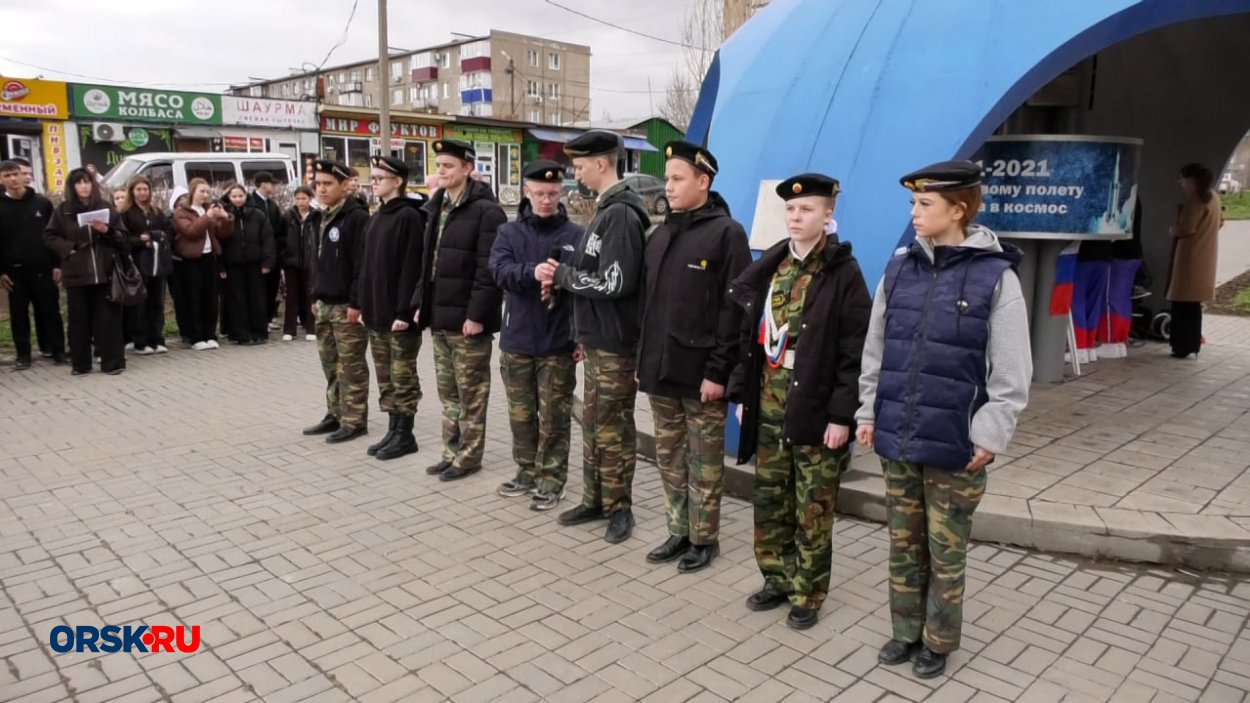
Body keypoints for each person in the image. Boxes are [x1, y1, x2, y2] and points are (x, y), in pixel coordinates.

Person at [858, 161, 1031, 679]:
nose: (914, 213)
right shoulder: (899, 270)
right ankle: (905, 631)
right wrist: (868, 411)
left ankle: (938, 640)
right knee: (903, 543)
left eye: (925, 204)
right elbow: (875, 350)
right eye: (913, 203)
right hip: (898, 435)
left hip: (956, 443)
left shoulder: (996, 278)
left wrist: (991, 433)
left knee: (945, 549)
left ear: (959, 209)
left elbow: (1012, 370)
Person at [726, 173, 870, 630]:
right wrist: (744, 394)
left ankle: (808, 592)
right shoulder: (773, 266)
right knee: (770, 499)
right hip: (769, 405)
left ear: (828, 215)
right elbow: (750, 337)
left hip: (815, 409)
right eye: (790, 209)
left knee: (812, 507)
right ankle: (776, 577)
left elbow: (854, 351)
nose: (795, 216)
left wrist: (842, 415)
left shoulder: (842, 272)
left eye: (806, 209)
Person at [637, 142, 751, 572]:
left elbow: (735, 311)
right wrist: (643, 363)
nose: (668, 186)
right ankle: (678, 530)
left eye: (678, 178)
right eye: (667, 178)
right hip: (661, 371)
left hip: (702, 374)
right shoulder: (660, 234)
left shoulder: (726, 234)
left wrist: (719, 372)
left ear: (703, 181)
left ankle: (704, 539)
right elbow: (648, 307)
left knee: (703, 463)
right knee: (669, 457)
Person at [536, 130, 649, 544]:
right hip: (599, 339)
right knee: (594, 424)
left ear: (602, 164)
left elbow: (615, 282)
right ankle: (595, 499)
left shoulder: (621, 214)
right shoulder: (605, 210)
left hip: (616, 344)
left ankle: (619, 508)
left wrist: (564, 276)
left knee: (612, 428)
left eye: (581, 166)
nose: (577, 174)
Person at [491, 161, 584, 511]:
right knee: (521, 416)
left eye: (553, 193)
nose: (546, 200)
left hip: (558, 343)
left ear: (562, 194)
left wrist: (581, 337)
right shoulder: (509, 233)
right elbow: (499, 271)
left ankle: (552, 480)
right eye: (540, 193)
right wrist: (533, 272)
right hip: (518, 340)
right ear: (526, 192)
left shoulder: (576, 236)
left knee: (555, 418)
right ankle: (526, 471)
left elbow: (584, 289)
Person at [414, 139, 506, 481]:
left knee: (472, 395)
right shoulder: (437, 205)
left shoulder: (487, 212)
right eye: (439, 165)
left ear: (468, 169)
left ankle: (468, 457)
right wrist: (420, 305)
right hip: (440, 317)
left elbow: (488, 271)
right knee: (448, 393)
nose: (441, 171)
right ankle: (450, 452)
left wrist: (477, 316)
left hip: (468, 322)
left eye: (448, 166)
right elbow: (428, 263)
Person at [359, 155, 427, 461]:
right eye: (372, 179)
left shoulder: (408, 216)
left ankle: (405, 434)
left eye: (379, 179)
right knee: (386, 376)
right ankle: (393, 428)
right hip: (377, 313)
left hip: (398, 316)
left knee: (403, 376)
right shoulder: (377, 217)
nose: (373, 184)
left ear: (397, 181)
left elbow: (411, 268)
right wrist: (364, 305)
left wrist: (404, 312)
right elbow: (368, 267)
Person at [304, 159, 371, 443]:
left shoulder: (357, 218)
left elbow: (361, 265)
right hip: (324, 303)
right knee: (330, 364)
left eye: (328, 184)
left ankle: (355, 420)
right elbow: (315, 262)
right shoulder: (318, 217)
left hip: (346, 305)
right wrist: (314, 294)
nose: (321, 189)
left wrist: (356, 303)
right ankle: (335, 413)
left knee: (350, 366)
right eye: (318, 184)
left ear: (345, 186)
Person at [43, 168, 128, 375]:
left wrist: (106, 231)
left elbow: (122, 237)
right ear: (73, 187)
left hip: (104, 272)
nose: (83, 186)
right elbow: (50, 236)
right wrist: (69, 248)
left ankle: (112, 363)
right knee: (79, 321)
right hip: (77, 273)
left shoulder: (105, 207)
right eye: (79, 183)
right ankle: (81, 364)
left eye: (87, 182)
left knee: (108, 320)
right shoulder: (63, 210)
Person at [0, 159, 65, 368]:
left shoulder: (41, 203)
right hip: (14, 272)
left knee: (50, 311)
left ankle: (58, 352)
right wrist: (1, 271)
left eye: (15, 174)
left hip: (43, 269)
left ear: (23, 175)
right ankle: (23, 356)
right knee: (19, 315)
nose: (12, 179)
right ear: (1, 179)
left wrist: (57, 264)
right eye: (7, 176)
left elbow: (54, 235)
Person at [1167, 163, 1222, 359]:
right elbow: (1221, 221)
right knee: (1193, 306)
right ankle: (1192, 344)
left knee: (1182, 305)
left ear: (1191, 180)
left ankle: (1181, 345)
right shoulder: (1214, 197)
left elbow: (1187, 228)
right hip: (1205, 258)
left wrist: (1173, 229)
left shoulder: (1196, 199)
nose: (1180, 183)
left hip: (1189, 259)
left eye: (1182, 179)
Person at [171, 178, 231, 351]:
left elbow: (223, 233)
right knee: (193, 297)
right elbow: (191, 232)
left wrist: (226, 218)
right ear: (192, 192)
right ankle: (196, 336)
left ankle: (210, 334)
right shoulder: (181, 211)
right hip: (191, 259)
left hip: (209, 257)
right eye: (202, 191)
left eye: (207, 192)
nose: (205, 195)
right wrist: (207, 217)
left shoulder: (208, 209)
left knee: (210, 298)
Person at [120, 175, 173, 354]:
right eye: (139, 189)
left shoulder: (156, 212)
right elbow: (123, 238)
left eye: (145, 189)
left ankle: (157, 338)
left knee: (156, 302)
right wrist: (139, 241)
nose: (143, 193)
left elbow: (169, 231)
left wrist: (156, 237)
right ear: (132, 191)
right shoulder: (126, 213)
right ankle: (140, 341)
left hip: (157, 262)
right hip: (138, 262)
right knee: (140, 303)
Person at [219, 183, 275, 345]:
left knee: (257, 298)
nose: (237, 199)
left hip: (255, 262)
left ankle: (258, 332)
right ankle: (240, 333)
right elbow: (220, 241)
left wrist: (268, 261)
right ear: (229, 197)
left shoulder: (258, 214)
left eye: (240, 196)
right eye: (234, 196)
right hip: (233, 263)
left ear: (246, 196)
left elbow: (267, 238)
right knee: (237, 299)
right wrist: (221, 265)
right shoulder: (225, 215)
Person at [249, 171, 286, 327]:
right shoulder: (251, 203)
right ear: (263, 184)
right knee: (259, 288)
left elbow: (278, 228)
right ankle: (259, 319)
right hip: (258, 253)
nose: (274, 186)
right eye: (272, 183)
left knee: (272, 286)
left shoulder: (272, 204)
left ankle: (269, 318)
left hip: (274, 253)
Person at [281, 185, 317, 342]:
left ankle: (311, 328)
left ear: (310, 199)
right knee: (291, 296)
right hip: (291, 261)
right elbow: (281, 237)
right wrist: (284, 254)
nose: (301, 202)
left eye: (304, 198)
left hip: (310, 262)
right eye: (298, 199)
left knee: (310, 295)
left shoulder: (316, 216)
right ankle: (289, 329)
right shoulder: (288, 216)